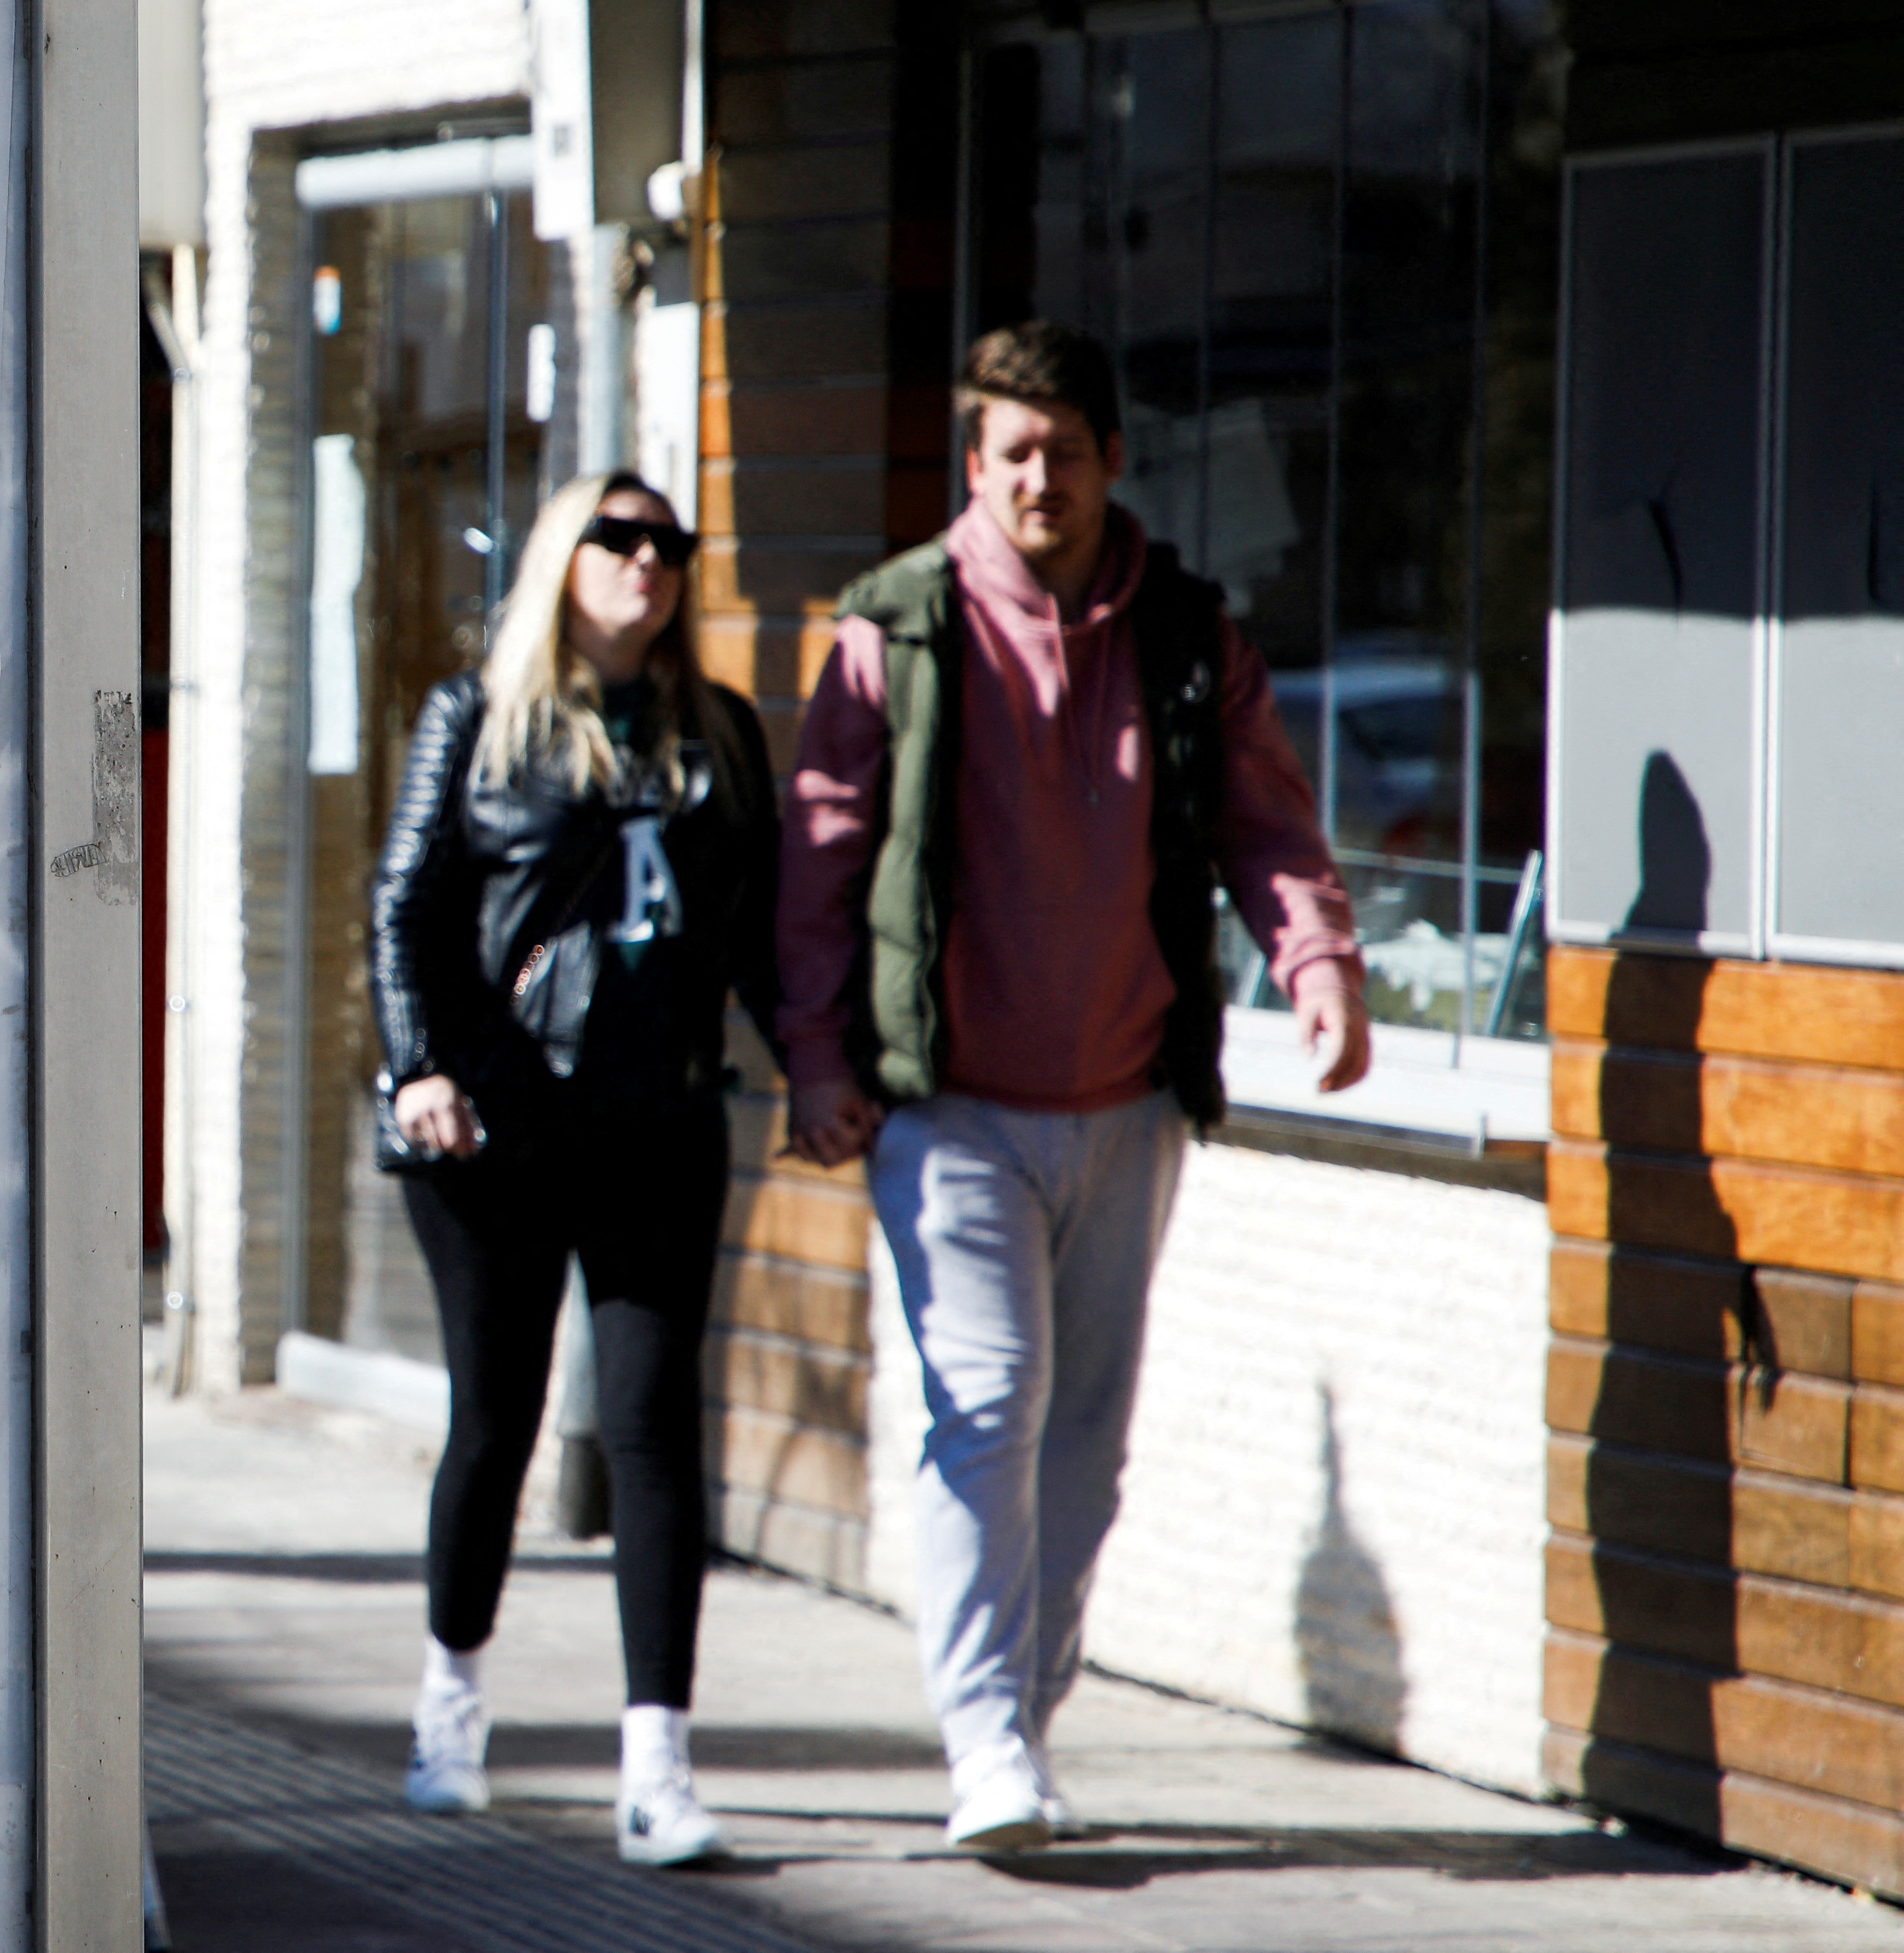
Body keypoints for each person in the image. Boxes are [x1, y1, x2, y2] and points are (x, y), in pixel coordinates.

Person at [777, 320, 1367, 1849]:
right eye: (1012, 451)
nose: (1040, 476)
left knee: (1086, 1444)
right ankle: (985, 1746)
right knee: (987, 1408)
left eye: (1067, 448)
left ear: (1112, 458)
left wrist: (1318, 970)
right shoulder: (893, 630)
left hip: (1127, 1099)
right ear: (977, 465)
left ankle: (1021, 1731)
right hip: (952, 1103)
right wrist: (821, 1056)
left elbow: (1266, 824)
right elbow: (822, 861)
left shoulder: (1181, 630)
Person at [369, 470, 780, 1868]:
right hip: (496, 1126)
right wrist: (420, 1064)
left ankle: (656, 1767)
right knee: (498, 1415)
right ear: (563, 556)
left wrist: (826, 1068)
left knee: (658, 1431)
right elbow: (408, 902)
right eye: (616, 538)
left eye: (669, 544)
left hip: (658, 1126)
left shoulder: (714, 733)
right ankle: (451, 1701)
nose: (646, 562)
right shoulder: (476, 719)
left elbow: (759, 930)